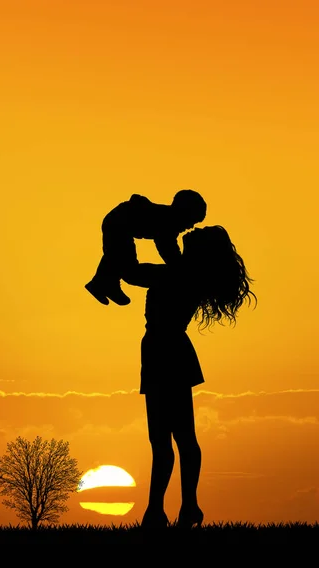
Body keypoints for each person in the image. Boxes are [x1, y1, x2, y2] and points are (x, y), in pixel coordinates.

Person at [125, 225, 257, 529]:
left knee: (170, 438)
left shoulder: (180, 274)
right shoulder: (185, 272)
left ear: (198, 249)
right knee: (172, 438)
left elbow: (133, 272)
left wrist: (133, 227)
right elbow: (158, 250)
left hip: (165, 350)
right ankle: (177, 508)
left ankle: (170, 509)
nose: (193, 229)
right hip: (165, 350)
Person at [85, 190, 207, 306]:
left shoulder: (167, 218)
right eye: (191, 221)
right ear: (182, 213)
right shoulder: (168, 222)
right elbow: (167, 248)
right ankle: (103, 284)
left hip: (117, 222)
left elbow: (168, 247)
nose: (191, 226)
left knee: (116, 256)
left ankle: (103, 283)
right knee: (127, 268)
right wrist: (178, 268)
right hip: (118, 224)